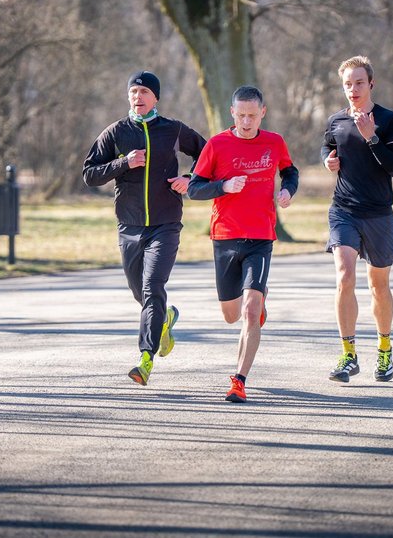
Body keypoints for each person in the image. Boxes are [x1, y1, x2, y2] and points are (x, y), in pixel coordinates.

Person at [83, 70, 206, 386]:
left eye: (144, 92)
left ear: (156, 97)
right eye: (133, 92)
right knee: (142, 293)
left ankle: (146, 359)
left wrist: (189, 179)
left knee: (152, 288)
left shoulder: (173, 130)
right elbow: (90, 174)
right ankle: (163, 319)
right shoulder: (115, 133)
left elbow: (207, 154)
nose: (138, 97)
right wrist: (124, 163)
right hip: (129, 227)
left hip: (165, 225)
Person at [188, 85, 299, 403]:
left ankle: (239, 380)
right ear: (232, 113)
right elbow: (194, 189)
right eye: (241, 115)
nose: (247, 122)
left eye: (253, 115)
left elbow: (289, 172)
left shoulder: (274, 142)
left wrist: (287, 191)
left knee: (251, 313)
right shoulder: (217, 144)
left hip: (261, 237)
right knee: (231, 315)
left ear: (263, 112)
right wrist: (224, 185)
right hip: (224, 237)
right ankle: (257, 301)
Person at [320, 55, 393, 383]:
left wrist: (371, 137)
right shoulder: (336, 121)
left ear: (371, 84)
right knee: (344, 276)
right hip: (344, 210)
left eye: (358, 82)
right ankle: (348, 354)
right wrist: (328, 162)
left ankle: (384, 351)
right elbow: (328, 149)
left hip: (379, 214)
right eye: (347, 84)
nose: (352, 89)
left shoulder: (389, 120)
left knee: (378, 286)